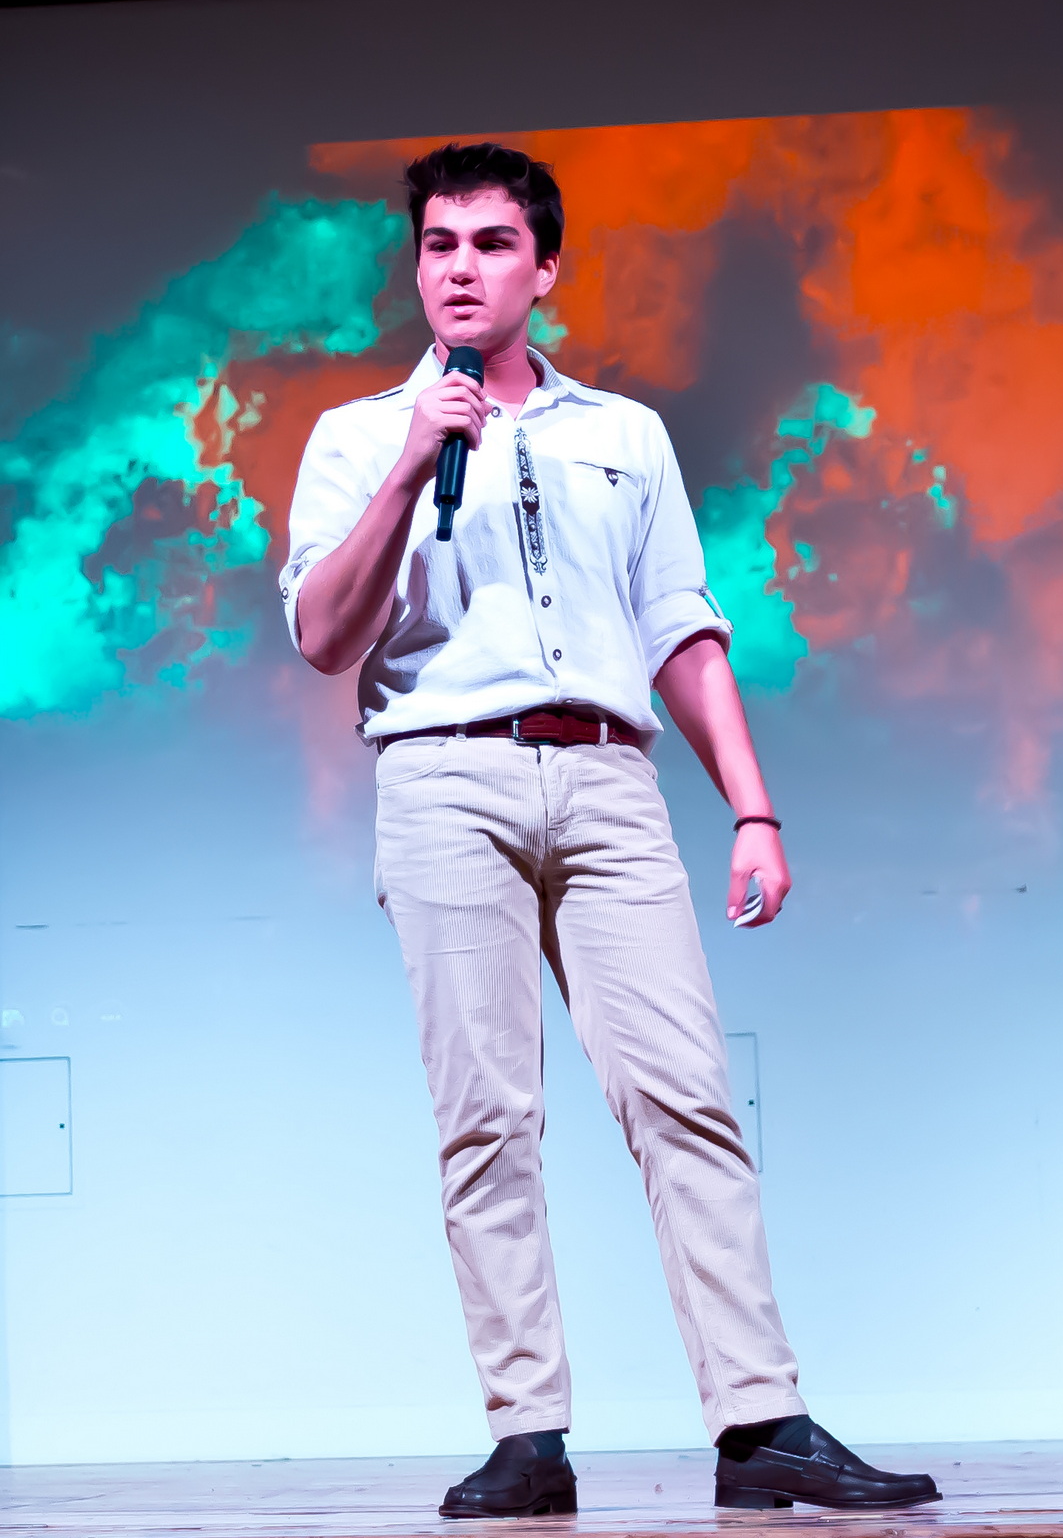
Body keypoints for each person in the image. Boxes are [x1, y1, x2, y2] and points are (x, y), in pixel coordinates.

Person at [280, 142, 939, 1518]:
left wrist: (752, 807)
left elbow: (679, 626)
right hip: (443, 779)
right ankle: (529, 1436)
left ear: (546, 270)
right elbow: (326, 636)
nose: (461, 269)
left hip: (606, 778)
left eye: (492, 244)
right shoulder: (356, 436)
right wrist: (408, 469)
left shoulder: (623, 434)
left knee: (684, 1097)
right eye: (440, 245)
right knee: (486, 1120)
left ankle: (761, 1426)